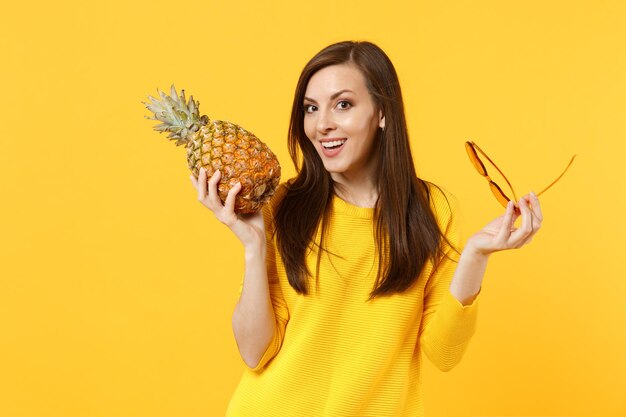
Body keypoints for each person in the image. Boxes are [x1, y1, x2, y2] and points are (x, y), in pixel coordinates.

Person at [190, 40, 542, 417]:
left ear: (382, 113)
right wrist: (252, 246)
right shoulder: (283, 206)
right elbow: (255, 352)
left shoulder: (433, 212)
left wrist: (475, 256)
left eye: (342, 104)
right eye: (311, 108)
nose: (322, 123)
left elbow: (444, 354)